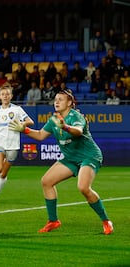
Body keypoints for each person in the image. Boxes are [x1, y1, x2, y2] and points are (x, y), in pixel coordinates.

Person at [8, 88, 114, 235]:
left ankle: (105, 221)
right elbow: (40, 135)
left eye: (60, 100)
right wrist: (24, 130)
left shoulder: (76, 116)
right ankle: (53, 221)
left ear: (70, 103)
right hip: (70, 158)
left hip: (89, 156)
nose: (56, 102)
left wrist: (64, 126)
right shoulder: (53, 119)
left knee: (83, 187)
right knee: (46, 181)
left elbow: (77, 131)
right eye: (55, 99)